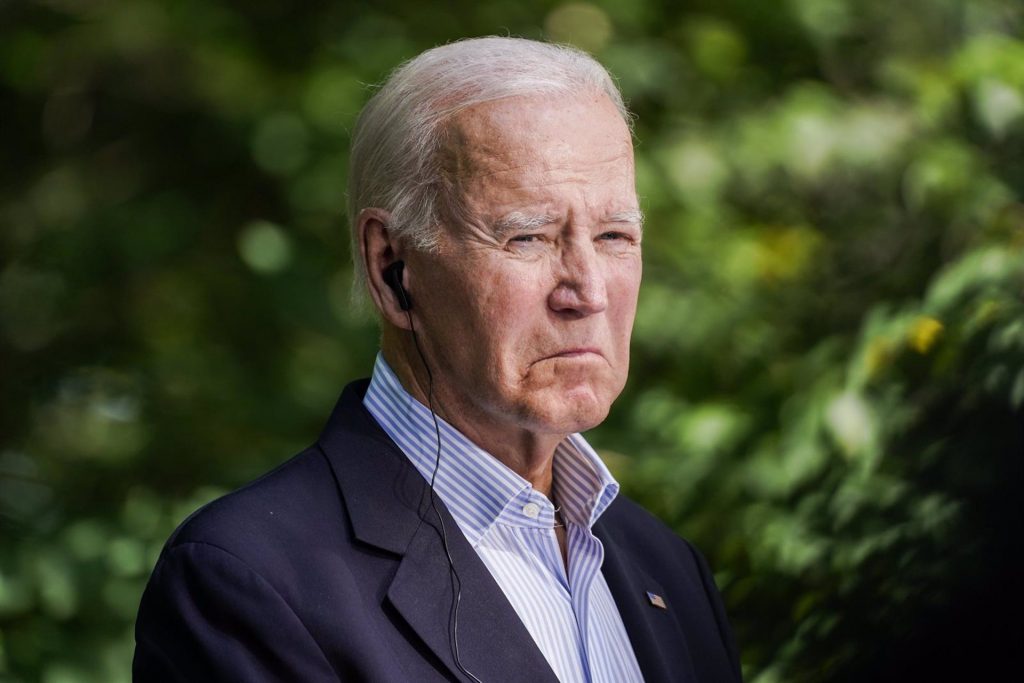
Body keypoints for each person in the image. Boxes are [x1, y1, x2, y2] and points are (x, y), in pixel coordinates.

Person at [133, 36, 741, 682]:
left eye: (614, 235)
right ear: (393, 268)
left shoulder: (669, 569)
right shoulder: (247, 580)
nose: (587, 292)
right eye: (528, 236)